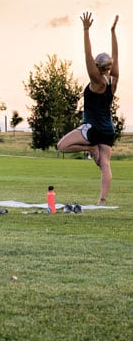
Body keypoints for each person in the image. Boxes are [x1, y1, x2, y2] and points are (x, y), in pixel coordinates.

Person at [57, 12, 119, 205]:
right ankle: (102, 200)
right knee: (105, 164)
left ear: (97, 66)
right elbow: (116, 56)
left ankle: (91, 148)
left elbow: (87, 55)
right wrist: (113, 32)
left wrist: (85, 30)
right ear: (109, 66)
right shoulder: (113, 81)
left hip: (92, 128)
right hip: (108, 129)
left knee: (62, 146)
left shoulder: (96, 80)